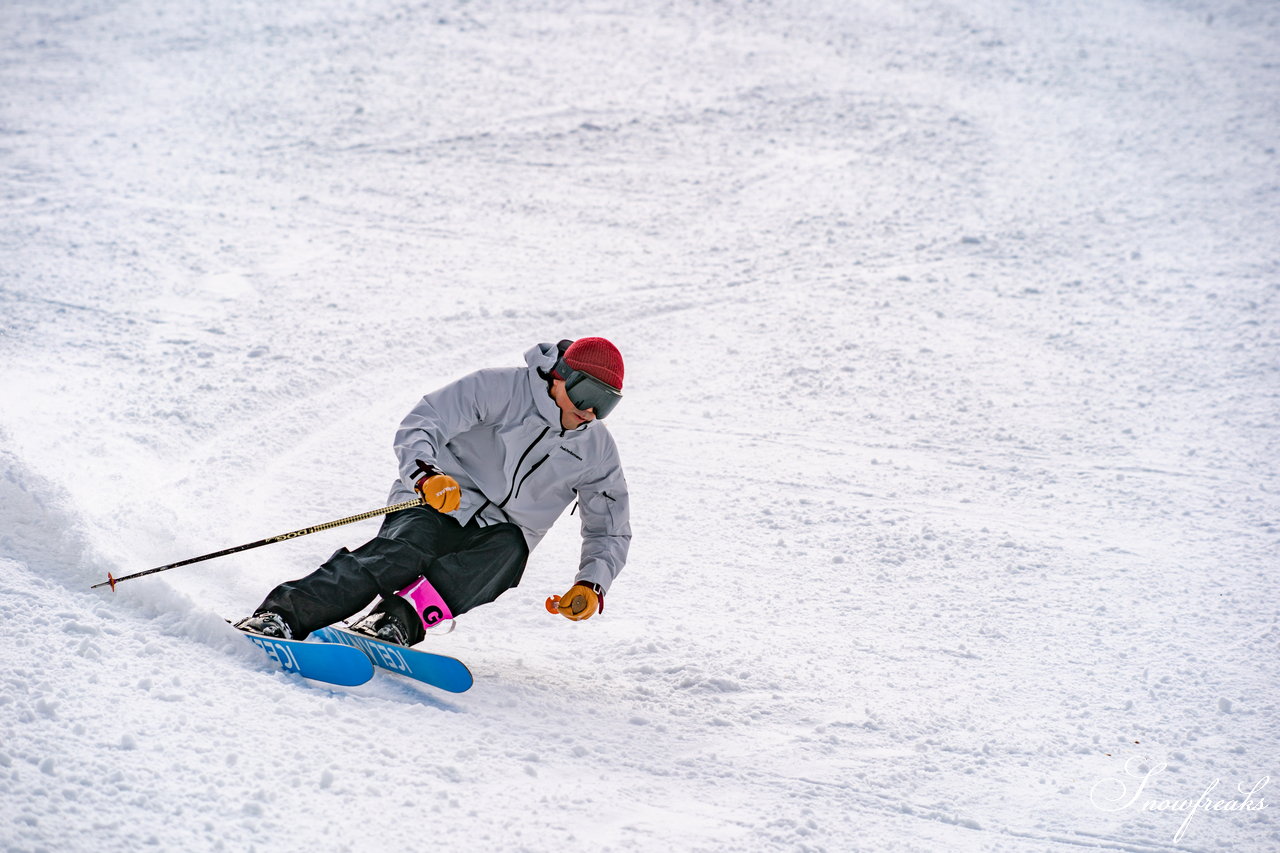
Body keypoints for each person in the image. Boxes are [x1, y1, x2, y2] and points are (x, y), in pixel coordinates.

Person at [235, 337, 631, 646]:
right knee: (401, 554)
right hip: (439, 497)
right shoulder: (501, 388)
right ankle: (284, 615)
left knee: (506, 556)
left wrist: (591, 584)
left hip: (502, 531)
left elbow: (608, 527)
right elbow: (424, 422)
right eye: (586, 395)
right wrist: (427, 476)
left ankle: (395, 621)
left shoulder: (595, 450)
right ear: (561, 375)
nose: (591, 412)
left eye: (605, 404)